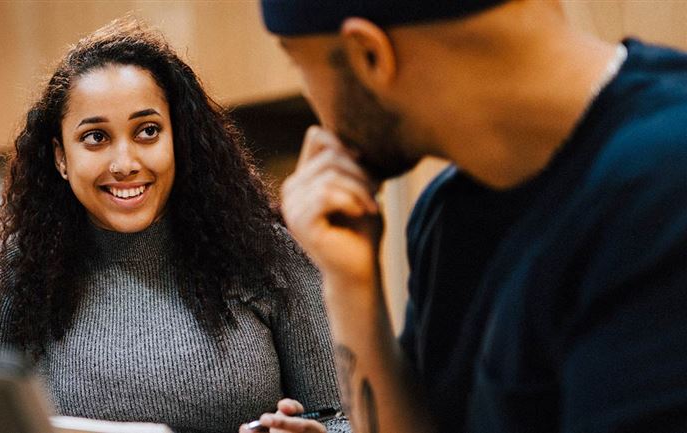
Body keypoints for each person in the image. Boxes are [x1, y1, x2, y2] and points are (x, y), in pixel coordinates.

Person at [251, 0, 687, 432]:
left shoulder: (661, 187)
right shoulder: (447, 212)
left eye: (299, 66)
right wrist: (350, 286)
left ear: (370, 55)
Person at [0, 18, 350, 433]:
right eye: (95, 138)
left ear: (179, 140)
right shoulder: (18, 270)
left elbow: (348, 418)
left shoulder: (266, 254)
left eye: (148, 131)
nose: (125, 164)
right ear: (61, 158)